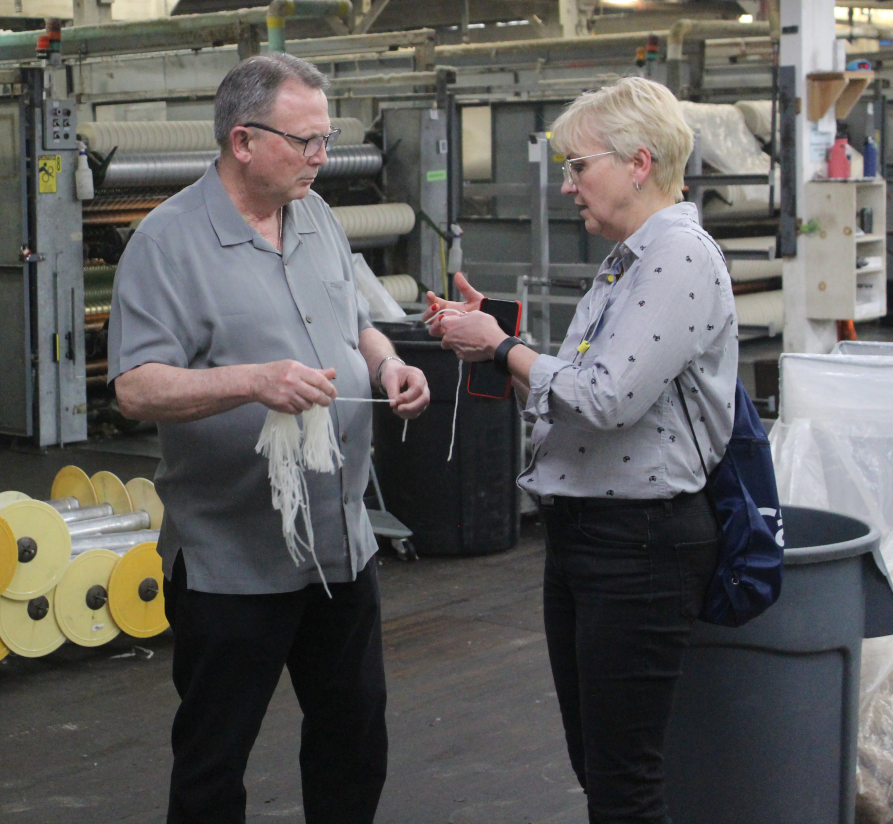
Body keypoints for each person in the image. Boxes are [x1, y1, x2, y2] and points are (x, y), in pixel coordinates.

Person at [108, 52, 429, 824]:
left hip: (338, 543)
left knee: (353, 738)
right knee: (215, 758)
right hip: (233, 556)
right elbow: (135, 386)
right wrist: (253, 380)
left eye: (325, 140)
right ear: (242, 139)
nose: (321, 158)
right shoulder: (166, 242)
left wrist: (387, 363)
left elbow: (352, 317)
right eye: (305, 141)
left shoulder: (315, 214)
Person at [423, 77, 738, 823]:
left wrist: (501, 347)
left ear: (637, 162)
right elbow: (578, 391)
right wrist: (495, 343)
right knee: (597, 767)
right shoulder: (627, 259)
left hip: (641, 545)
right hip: (590, 536)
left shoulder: (676, 258)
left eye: (577, 166)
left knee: (623, 781)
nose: (567, 186)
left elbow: (605, 396)